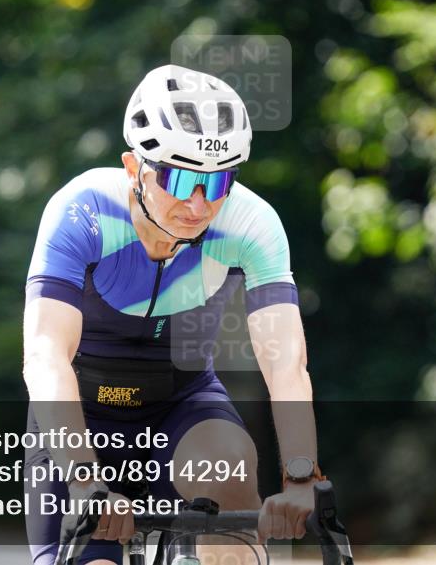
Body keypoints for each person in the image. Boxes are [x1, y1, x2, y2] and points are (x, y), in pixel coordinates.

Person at [23, 65, 324, 565]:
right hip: (80, 416)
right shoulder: (83, 211)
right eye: (180, 177)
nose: (199, 203)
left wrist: (298, 476)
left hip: (182, 409)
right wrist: (82, 475)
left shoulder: (251, 222)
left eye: (218, 179)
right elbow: (45, 355)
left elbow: (286, 365)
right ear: (133, 167)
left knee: (230, 473)